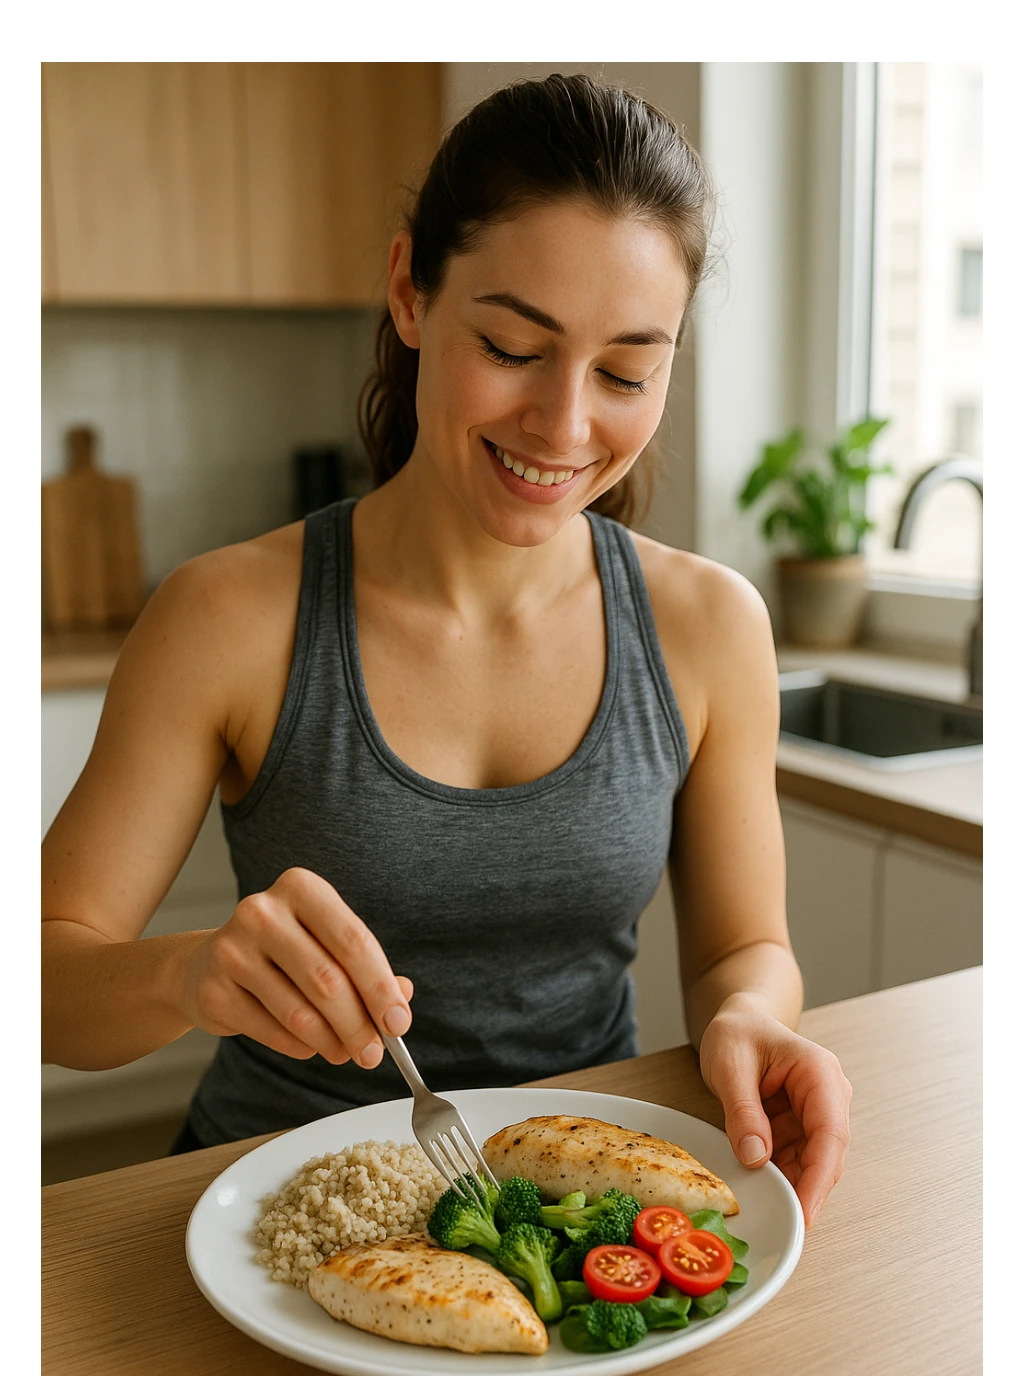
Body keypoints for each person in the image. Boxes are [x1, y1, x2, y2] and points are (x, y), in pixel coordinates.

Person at [41, 73, 851, 1229]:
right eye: (514, 345)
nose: (565, 425)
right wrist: (187, 973)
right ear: (409, 293)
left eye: (627, 370)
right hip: (286, 1215)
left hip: (570, 1209)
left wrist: (751, 1015)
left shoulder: (709, 629)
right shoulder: (226, 617)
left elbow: (743, 948)